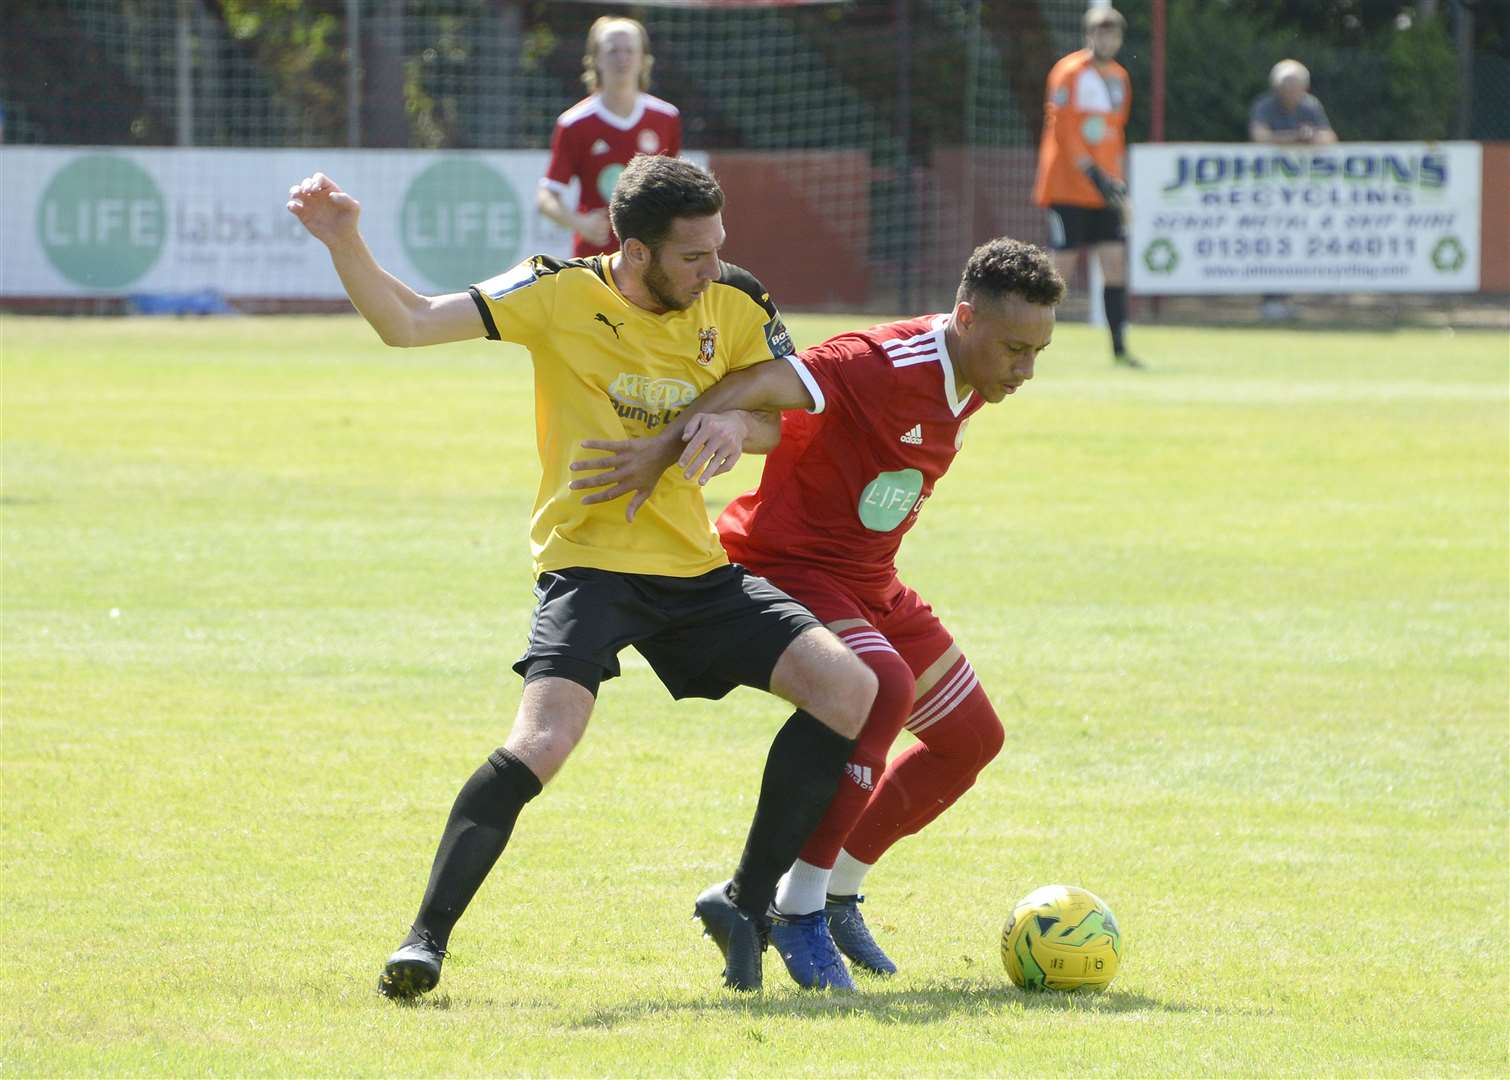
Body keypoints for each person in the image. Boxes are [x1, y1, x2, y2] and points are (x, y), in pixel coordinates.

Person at [286, 154, 889, 999]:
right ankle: (425, 939)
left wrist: (729, 429)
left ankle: (745, 901)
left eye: (719, 249)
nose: (713, 269)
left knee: (848, 691)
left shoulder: (736, 299)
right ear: (634, 252)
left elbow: (780, 417)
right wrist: (347, 242)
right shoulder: (558, 292)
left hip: (697, 569)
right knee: (542, 742)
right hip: (589, 567)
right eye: (694, 256)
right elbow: (410, 321)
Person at [570, 238, 1065, 986]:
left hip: (869, 576)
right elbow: (759, 380)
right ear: (966, 318)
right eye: (1015, 350)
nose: (1025, 370)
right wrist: (671, 446)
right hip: (790, 562)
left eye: (1038, 353)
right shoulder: (879, 360)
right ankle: (788, 908)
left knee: (969, 739)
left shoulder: (971, 372)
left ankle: (835, 895)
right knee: (885, 686)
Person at [1031, 5, 1140, 369]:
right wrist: (1091, 171)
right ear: (1088, 35)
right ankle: (1026, 340)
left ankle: (1120, 349)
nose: (1106, 38)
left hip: (1104, 191)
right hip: (1066, 187)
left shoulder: (1120, 78)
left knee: (1115, 264)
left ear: (1120, 38)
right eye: (1099, 32)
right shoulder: (1069, 72)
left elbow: (1114, 133)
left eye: (1112, 33)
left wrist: (1117, 182)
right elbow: (1061, 128)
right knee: (1059, 268)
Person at [537, 16, 681, 258]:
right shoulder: (574, 123)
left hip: (653, 256)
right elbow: (547, 196)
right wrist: (580, 223)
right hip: (594, 260)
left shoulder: (666, 118)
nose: (622, 59)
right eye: (613, 51)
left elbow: (678, 188)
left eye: (630, 50)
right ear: (595, 60)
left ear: (644, 59)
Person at [1250, 60, 1336, 321]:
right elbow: (1260, 137)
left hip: (1304, 192)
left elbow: (1329, 139)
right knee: (1272, 239)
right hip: (1269, 191)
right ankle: (1272, 299)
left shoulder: (1311, 107)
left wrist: (1310, 138)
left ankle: (1291, 298)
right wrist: (1295, 138)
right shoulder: (1265, 106)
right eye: (1287, 86)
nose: (1292, 92)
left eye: (1297, 86)